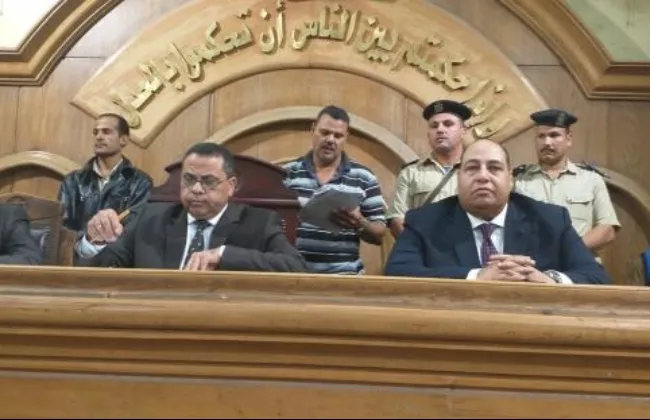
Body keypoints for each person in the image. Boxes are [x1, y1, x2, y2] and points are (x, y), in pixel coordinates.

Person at [384, 139, 610, 284]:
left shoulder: (551, 219)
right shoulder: (424, 221)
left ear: (510, 179)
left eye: (494, 168)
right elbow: (396, 274)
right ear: (458, 178)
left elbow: (596, 277)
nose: (483, 176)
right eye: (472, 168)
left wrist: (548, 279)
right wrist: (476, 276)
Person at [77, 142, 308, 272]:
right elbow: (101, 268)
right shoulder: (150, 218)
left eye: (208, 181)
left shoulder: (258, 223)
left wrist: (223, 255)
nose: (196, 189)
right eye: (189, 180)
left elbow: (296, 267)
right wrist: (95, 240)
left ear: (231, 186)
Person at [283, 105, 387, 274]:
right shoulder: (287, 173)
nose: (330, 140)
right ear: (312, 130)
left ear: (346, 137)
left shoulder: (364, 177)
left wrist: (359, 223)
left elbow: (379, 234)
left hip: (345, 274)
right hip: (294, 272)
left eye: (338, 136)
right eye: (325, 132)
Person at [513, 109, 620, 256]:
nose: (547, 142)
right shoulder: (519, 181)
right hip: (533, 262)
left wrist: (570, 250)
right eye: (541, 136)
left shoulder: (591, 180)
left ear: (568, 139)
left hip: (579, 262)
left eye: (554, 135)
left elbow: (607, 229)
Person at [58, 113, 153, 258]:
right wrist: (86, 242)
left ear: (123, 140)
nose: (99, 137)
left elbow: (136, 229)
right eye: (96, 132)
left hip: (118, 261)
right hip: (78, 258)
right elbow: (63, 226)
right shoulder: (73, 181)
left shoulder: (140, 182)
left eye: (106, 132)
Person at [387, 100, 472, 237]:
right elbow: (397, 220)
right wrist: (419, 247)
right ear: (428, 134)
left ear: (463, 131)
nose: (440, 130)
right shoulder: (411, 173)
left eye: (448, 124)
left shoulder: (477, 171)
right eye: (434, 126)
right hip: (422, 248)